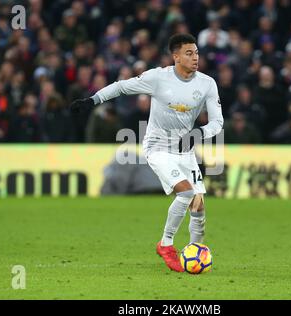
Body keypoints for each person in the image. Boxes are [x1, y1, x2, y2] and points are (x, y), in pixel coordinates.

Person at [69, 33, 224, 272]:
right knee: (185, 192)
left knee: (199, 206)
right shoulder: (157, 77)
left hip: (185, 149)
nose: (195, 58)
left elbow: (217, 123)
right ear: (176, 57)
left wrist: (198, 133)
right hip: (157, 146)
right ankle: (166, 244)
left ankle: (194, 251)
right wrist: (93, 100)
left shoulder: (207, 83)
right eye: (189, 53)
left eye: (197, 53)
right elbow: (122, 87)